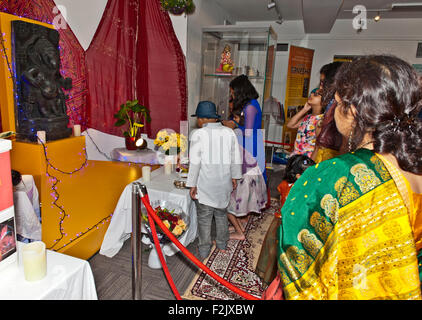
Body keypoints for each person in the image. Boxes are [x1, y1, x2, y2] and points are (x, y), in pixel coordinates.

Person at [277, 55, 422, 300]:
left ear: (353, 109)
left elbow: (298, 255)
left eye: (335, 103)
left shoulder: (338, 176)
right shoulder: (413, 162)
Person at [186, 101, 242, 260]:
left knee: (204, 218)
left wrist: (192, 184)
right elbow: (235, 157)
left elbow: (195, 162)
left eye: (198, 118)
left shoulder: (198, 134)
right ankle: (222, 244)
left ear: (202, 119)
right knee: (221, 214)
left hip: (205, 185)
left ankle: (204, 250)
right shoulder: (229, 132)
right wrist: (234, 176)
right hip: (223, 184)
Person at [256, 154, 315, 286]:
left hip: (285, 219)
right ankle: (272, 278)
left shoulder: (291, 185)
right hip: (287, 223)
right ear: (299, 176)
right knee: (279, 250)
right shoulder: (294, 191)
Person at [224, 107, 267, 240]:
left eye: (235, 118)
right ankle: (241, 223)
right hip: (253, 171)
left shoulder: (234, 136)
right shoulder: (242, 135)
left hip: (245, 174)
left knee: (224, 204)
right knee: (244, 202)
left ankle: (239, 232)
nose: (233, 121)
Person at [311, 62, 345, 162]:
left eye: (323, 83)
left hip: (332, 159)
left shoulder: (341, 107)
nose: (320, 88)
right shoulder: (331, 103)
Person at [286, 89, 324, 158]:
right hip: (297, 158)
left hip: (307, 160)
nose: (311, 95)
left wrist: (311, 165)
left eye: (315, 94)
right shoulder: (307, 117)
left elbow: (317, 147)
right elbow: (290, 125)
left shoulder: (322, 120)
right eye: (311, 94)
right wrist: (304, 110)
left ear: (324, 101)